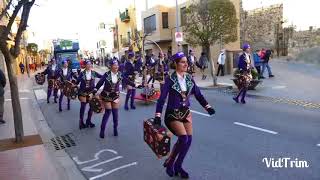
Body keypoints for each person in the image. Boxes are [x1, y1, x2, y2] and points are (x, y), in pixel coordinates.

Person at [154, 52, 215, 178]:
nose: (186, 63)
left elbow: (198, 95)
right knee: (184, 138)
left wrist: (207, 107)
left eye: (186, 61)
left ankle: (178, 165)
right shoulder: (170, 80)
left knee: (189, 140)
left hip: (185, 112)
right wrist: (158, 115)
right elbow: (161, 99)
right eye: (182, 61)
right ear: (176, 64)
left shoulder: (189, 78)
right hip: (172, 114)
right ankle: (171, 163)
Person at [96, 59, 138, 138]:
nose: (116, 66)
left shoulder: (120, 74)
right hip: (107, 96)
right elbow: (100, 83)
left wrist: (135, 84)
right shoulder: (106, 74)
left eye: (117, 65)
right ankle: (102, 130)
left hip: (115, 96)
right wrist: (95, 90)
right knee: (108, 112)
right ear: (111, 66)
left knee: (115, 113)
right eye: (115, 65)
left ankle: (115, 129)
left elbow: (126, 80)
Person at [76, 60, 102, 129]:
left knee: (92, 107)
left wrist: (109, 76)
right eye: (88, 64)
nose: (89, 65)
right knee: (83, 107)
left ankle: (88, 121)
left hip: (91, 92)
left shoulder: (93, 73)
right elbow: (77, 81)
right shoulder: (82, 73)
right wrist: (75, 82)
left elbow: (102, 77)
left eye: (90, 64)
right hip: (83, 92)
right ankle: (81, 122)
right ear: (85, 65)